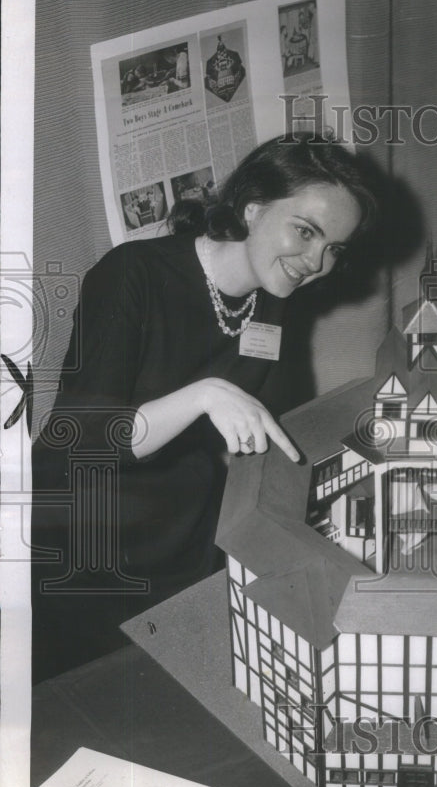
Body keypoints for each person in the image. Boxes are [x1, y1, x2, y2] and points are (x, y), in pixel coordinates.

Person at [31, 134, 378, 682]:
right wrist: (204, 395)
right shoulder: (132, 275)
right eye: (306, 231)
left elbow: (271, 432)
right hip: (84, 544)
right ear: (254, 208)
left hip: (183, 539)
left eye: (334, 247)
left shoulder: (274, 297)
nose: (316, 262)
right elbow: (80, 440)